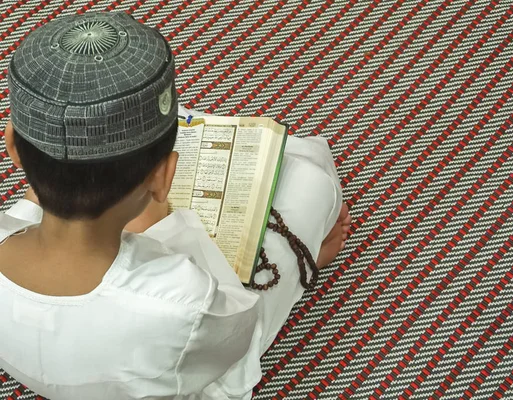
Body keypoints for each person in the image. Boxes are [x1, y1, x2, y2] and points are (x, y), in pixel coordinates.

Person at [0, 12, 350, 400]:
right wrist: (156, 226)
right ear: (164, 178)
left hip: (38, 364)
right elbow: (236, 340)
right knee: (310, 176)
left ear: (13, 146)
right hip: (180, 363)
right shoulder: (183, 297)